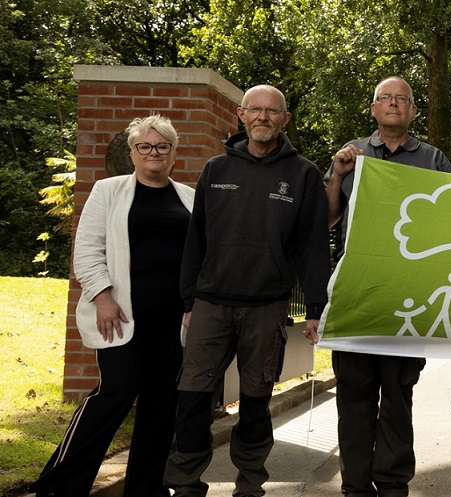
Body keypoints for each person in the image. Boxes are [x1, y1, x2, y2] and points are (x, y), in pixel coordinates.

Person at [165, 85, 330, 497]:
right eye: (255, 110)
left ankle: (250, 486)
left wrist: (315, 307)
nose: (263, 117)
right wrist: (189, 300)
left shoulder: (303, 174)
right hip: (210, 305)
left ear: (284, 120)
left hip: (266, 307)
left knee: (256, 404)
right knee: (192, 399)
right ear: (241, 115)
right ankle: (184, 484)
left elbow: (312, 245)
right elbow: (195, 241)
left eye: (272, 111)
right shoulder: (215, 170)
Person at [29, 115, 194, 497]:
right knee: (115, 392)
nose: (154, 153)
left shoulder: (190, 197)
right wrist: (102, 297)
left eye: (162, 146)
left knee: (161, 405)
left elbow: (202, 257)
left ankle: (146, 489)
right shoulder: (108, 191)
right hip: (121, 318)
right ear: (133, 153)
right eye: (145, 147)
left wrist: (195, 303)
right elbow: (86, 251)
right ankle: (60, 485)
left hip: (174, 322)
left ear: (173, 153)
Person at [324, 75, 451, 497]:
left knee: (398, 397)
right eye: (386, 98)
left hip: (409, 300)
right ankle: (355, 487)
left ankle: (394, 485)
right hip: (358, 295)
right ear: (374, 109)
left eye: (403, 99)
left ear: (414, 111)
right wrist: (336, 175)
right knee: (354, 398)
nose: (394, 104)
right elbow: (326, 221)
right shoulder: (351, 155)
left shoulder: (434, 160)